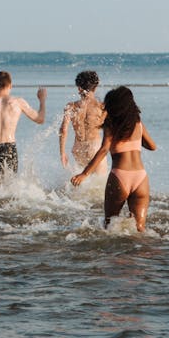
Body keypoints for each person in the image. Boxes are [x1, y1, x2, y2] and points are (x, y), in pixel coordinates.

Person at [71, 86, 157, 232]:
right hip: (141, 178)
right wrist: (135, 139)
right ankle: (141, 254)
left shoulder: (111, 125)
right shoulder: (138, 124)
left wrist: (84, 174)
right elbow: (152, 146)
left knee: (109, 225)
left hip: (120, 177)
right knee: (140, 228)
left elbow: (104, 149)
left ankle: (112, 255)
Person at [59, 70, 107, 174]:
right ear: (95, 86)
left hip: (78, 148)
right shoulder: (101, 107)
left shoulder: (71, 106)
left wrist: (62, 153)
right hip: (94, 148)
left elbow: (63, 130)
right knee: (100, 184)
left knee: (83, 182)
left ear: (78, 87)